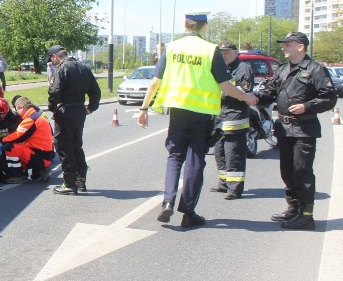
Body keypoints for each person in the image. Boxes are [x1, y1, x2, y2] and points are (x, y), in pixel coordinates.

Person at [137, 13, 258, 228]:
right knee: (195, 161)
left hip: (178, 111)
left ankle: (167, 201)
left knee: (174, 157)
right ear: (204, 27)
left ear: (185, 25)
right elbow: (226, 86)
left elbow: (155, 82)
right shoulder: (210, 50)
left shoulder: (172, 48)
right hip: (201, 113)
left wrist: (144, 108)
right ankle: (188, 212)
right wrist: (246, 97)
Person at [254, 31, 337, 230]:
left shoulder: (315, 69)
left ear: (300, 46)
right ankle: (294, 208)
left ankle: (306, 215)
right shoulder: (283, 69)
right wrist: (253, 98)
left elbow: (329, 98)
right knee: (287, 172)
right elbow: (270, 92)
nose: (283, 47)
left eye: (288, 44)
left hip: (303, 129)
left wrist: (306, 107)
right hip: (284, 128)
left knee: (302, 172)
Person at [47, 46, 100, 195]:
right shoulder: (83, 68)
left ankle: (69, 183)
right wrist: (90, 107)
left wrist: (53, 107)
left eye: (52, 59)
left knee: (64, 146)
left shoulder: (61, 69)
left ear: (56, 56)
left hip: (65, 111)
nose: (52, 62)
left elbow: (54, 91)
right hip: (79, 111)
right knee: (77, 145)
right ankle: (80, 179)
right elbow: (95, 90)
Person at [210, 42, 254, 200]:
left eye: (227, 52)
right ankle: (224, 183)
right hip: (219, 118)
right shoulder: (220, 67)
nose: (224, 55)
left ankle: (235, 189)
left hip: (235, 117)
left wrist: (221, 93)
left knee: (233, 155)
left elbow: (243, 91)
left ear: (236, 53)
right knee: (219, 153)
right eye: (221, 52)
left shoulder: (243, 68)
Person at [1, 96, 55, 183]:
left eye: (17, 110)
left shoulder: (30, 120)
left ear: (21, 108)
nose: (17, 112)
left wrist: (3, 140)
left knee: (9, 147)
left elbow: (17, 136)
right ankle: (38, 172)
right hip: (45, 156)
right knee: (20, 146)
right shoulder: (38, 116)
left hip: (40, 157)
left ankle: (18, 176)